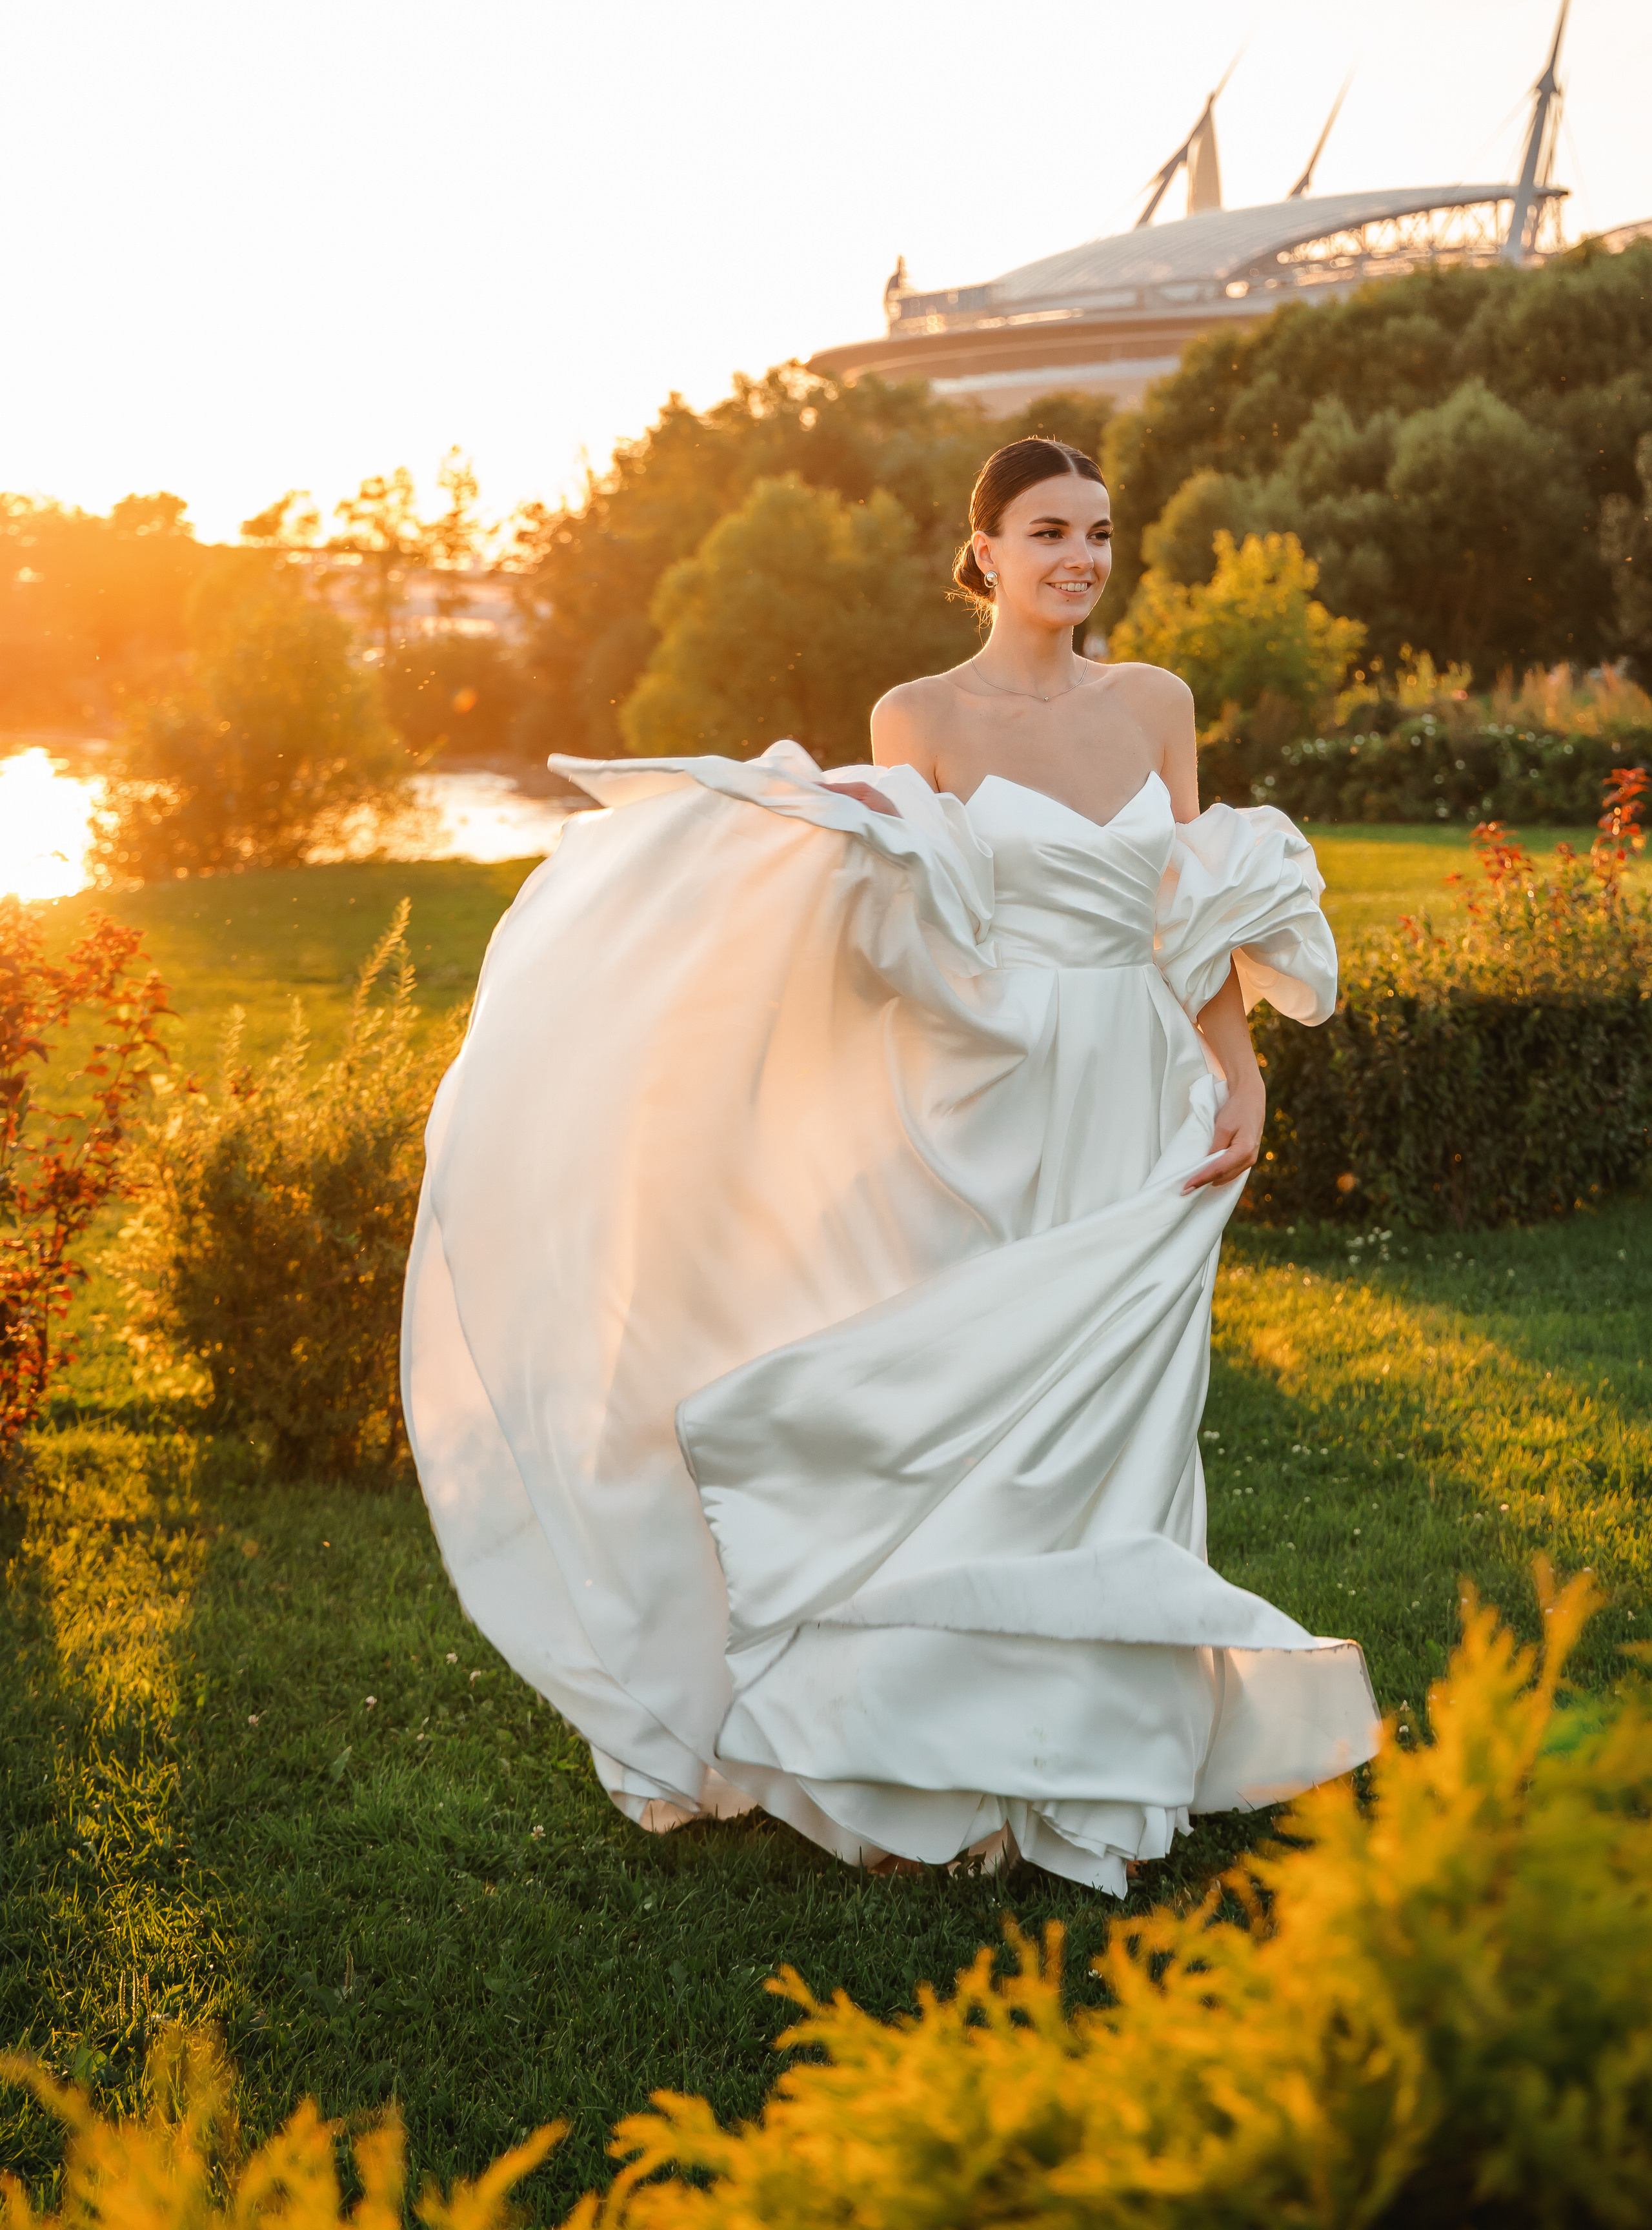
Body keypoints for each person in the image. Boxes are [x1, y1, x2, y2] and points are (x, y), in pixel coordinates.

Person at [402, 436, 1378, 1894]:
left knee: (1123, 1414)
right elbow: (910, 907)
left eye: (1100, 534)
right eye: (1049, 532)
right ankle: (943, 1763)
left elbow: (1192, 908)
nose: (1081, 560)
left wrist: (1234, 1068)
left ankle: (1100, 1762)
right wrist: (805, 831)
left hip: (1142, 1091)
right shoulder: (914, 713)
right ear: (982, 551)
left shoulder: (1156, 704)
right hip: (993, 1087)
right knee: (977, 1408)